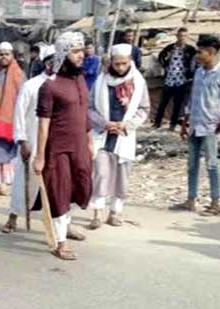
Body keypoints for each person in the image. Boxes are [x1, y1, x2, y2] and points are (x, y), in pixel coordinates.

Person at [34, 32, 92, 261]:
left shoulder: (80, 80)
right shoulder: (49, 87)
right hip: (58, 150)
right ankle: (60, 242)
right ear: (63, 53)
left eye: (81, 51)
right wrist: (40, 156)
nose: (81, 56)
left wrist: (89, 142)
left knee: (82, 188)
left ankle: (65, 225)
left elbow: (84, 112)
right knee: (59, 192)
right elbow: (43, 125)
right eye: (76, 52)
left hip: (80, 147)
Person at [171, 35, 220, 216]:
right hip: (195, 124)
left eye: (200, 52)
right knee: (192, 165)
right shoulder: (199, 72)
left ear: (210, 53)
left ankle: (215, 202)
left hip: (211, 126)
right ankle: (190, 200)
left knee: (212, 165)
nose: (196, 55)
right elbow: (193, 98)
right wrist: (185, 121)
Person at [87, 44, 150, 230]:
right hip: (102, 134)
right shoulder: (100, 81)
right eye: (117, 64)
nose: (121, 68)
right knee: (100, 173)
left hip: (124, 135)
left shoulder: (138, 83)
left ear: (130, 61)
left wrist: (127, 125)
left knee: (122, 176)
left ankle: (115, 212)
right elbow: (89, 108)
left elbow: (144, 109)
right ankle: (97, 212)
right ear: (111, 63)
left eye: (124, 63)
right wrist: (104, 123)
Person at [1, 45, 56, 234]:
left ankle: (62, 226)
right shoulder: (31, 85)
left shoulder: (64, 85)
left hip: (55, 144)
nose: (54, 65)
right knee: (23, 183)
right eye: (51, 61)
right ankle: (13, 217)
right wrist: (22, 141)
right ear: (45, 63)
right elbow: (19, 115)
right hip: (31, 142)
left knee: (57, 186)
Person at [0, 42, 25, 199]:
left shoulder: (19, 74)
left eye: (7, 54)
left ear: (12, 56)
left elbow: (23, 96)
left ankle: (3, 184)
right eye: (1, 54)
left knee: (7, 154)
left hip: (10, 119)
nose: (4, 57)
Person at [154, 27, 196, 131]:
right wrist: (165, 66)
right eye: (181, 36)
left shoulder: (190, 50)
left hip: (181, 80)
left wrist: (191, 75)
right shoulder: (170, 48)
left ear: (187, 37)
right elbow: (161, 57)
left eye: (185, 36)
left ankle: (172, 124)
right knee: (163, 103)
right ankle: (157, 123)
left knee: (177, 104)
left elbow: (194, 62)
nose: (182, 38)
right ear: (177, 36)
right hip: (169, 79)